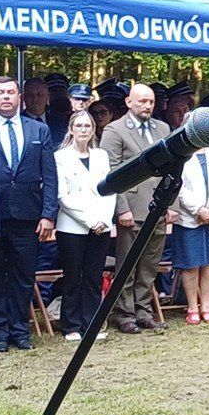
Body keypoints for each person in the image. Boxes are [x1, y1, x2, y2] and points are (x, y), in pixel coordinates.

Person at [0, 76, 58, 352]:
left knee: (23, 275)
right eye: (1, 93)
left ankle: (19, 330)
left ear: (20, 98)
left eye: (11, 92)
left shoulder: (39, 130)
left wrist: (48, 214)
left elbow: (50, 175)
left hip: (28, 216)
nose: (6, 97)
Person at [99, 83, 173, 334]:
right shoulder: (115, 129)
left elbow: (173, 167)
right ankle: (125, 314)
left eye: (150, 101)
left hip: (158, 206)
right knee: (127, 265)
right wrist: (121, 208)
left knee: (150, 265)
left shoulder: (163, 128)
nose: (147, 106)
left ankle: (144, 311)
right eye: (141, 101)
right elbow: (110, 172)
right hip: (131, 206)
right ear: (129, 102)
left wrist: (172, 203)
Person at [52, 112, 116, 342]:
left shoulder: (101, 156)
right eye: (78, 125)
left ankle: (92, 324)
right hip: (72, 227)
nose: (83, 130)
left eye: (87, 126)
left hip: (101, 226)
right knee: (72, 277)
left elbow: (109, 189)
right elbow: (63, 196)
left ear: (93, 130)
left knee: (93, 276)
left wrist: (103, 219)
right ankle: (71, 325)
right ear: (71, 129)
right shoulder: (60, 157)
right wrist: (89, 221)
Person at [171, 113, 209, 324]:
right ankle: (192, 307)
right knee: (191, 264)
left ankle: (206, 306)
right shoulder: (179, 152)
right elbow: (178, 186)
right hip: (189, 218)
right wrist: (199, 209)